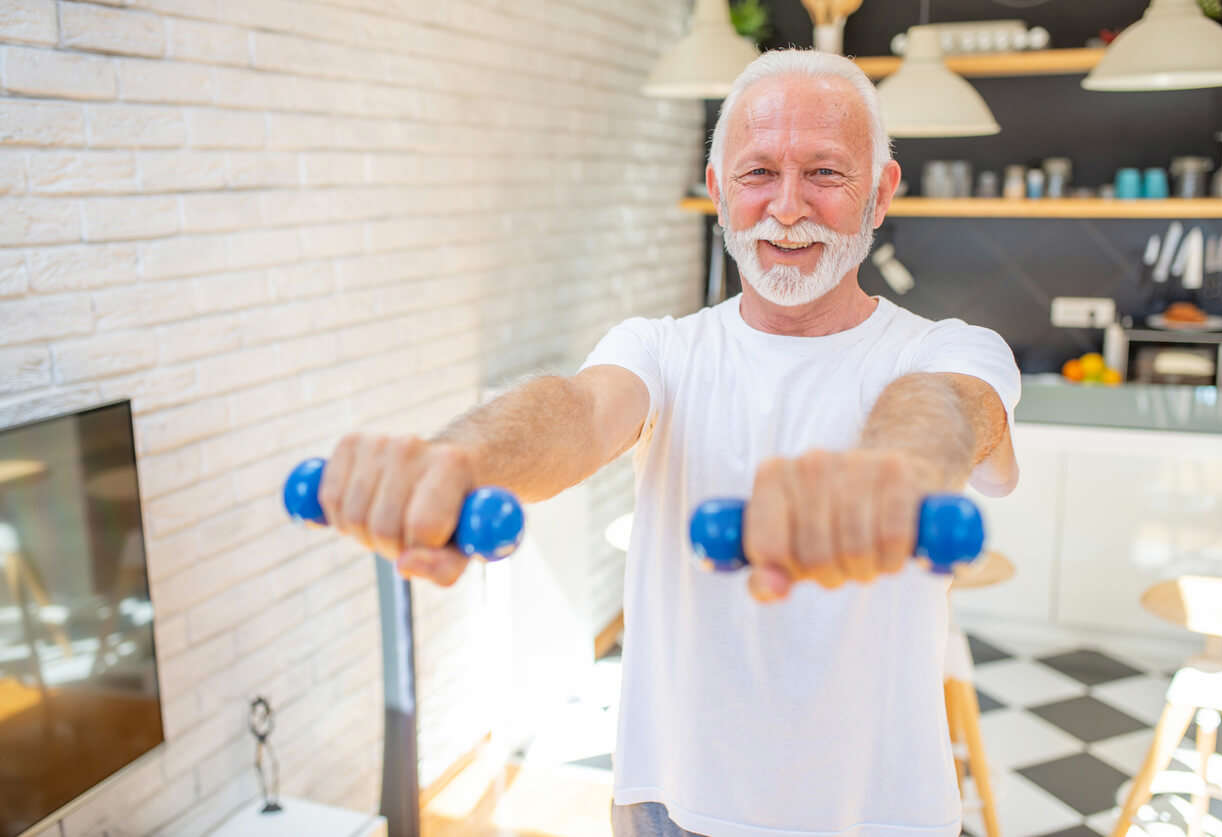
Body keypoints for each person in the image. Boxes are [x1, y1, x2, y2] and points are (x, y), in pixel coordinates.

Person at [319, 49, 1020, 837]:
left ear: (881, 193)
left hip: (879, 818)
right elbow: (578, 412)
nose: (787, 208)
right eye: (758, 174)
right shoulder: (662, 349)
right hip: (670, 810)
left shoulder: (949, 350)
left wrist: (889, 473)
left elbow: (950, 411)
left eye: (825, 173)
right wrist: (454, 461)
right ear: (718, 192)